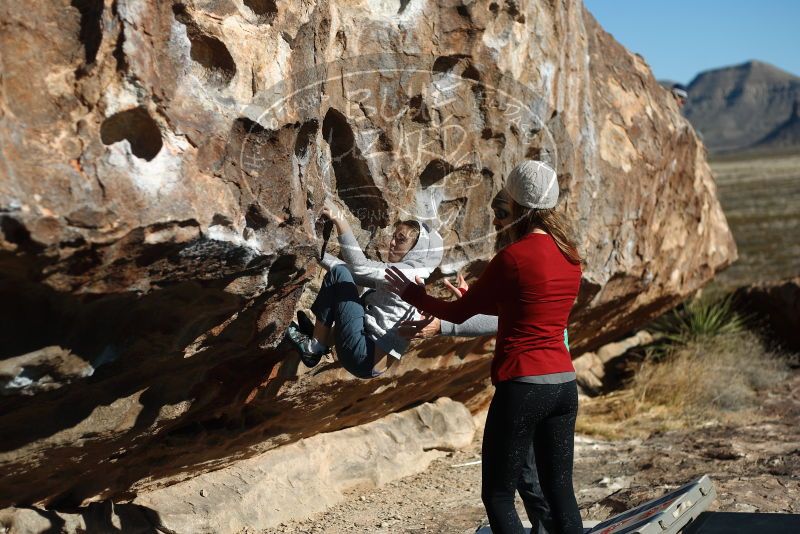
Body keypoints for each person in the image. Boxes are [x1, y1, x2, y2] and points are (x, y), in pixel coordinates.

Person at [385, 160, 584, 534]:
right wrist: (483, 298)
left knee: (497, 495)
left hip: (523, 386)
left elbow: (458, 313)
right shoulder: (570, 256)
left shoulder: (513, 257)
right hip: (564, 385)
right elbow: (531, 306)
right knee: (560, 491)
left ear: (517, 206)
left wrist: (410, 291)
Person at [285, 198, 443, 379]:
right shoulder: (413, 277)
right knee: (357, 287)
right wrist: (314, 251)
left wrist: (339, 219)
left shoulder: (406, 274)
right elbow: (356, 274)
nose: (392, 243)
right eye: (394, 236)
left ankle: (313, 347)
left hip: (363, 353)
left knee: (344, 277)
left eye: (401, 240)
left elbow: (358, 266)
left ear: (418, 251)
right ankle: (320, 336)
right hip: (368, 361)